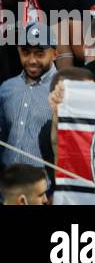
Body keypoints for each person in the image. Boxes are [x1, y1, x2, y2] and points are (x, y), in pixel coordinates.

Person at [0, 25, 56, 166]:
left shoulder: (63, 91)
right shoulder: (7, 88)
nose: (32, 60)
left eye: (39, 54)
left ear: (55, 54)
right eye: (26, 52)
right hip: (7, 182)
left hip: (43, 185)